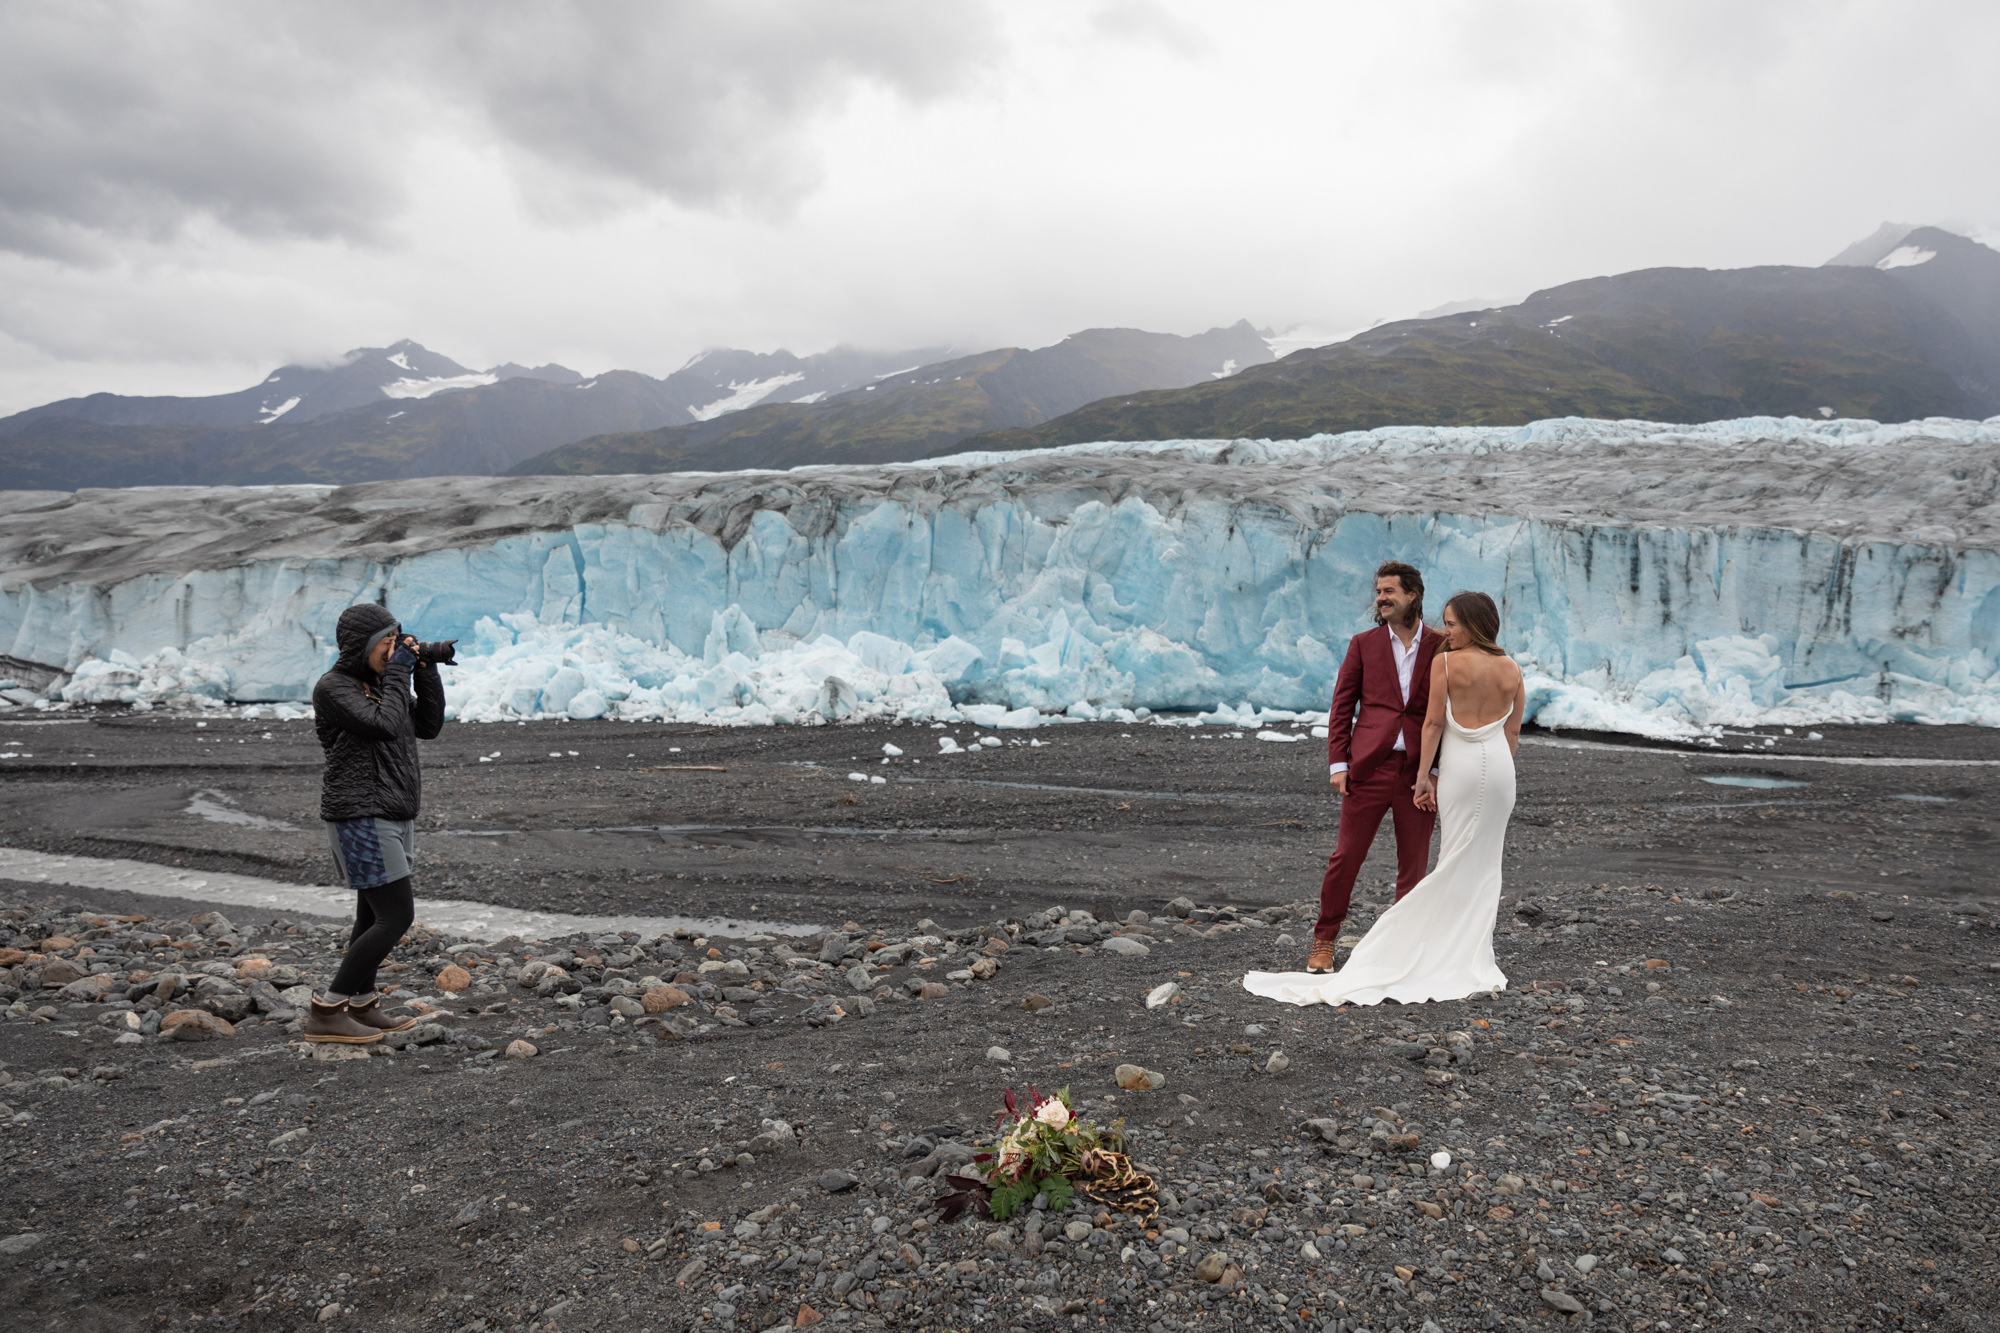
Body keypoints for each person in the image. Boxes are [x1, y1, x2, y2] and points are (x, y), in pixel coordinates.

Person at [1245, 590, 1522, 1007]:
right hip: (1500, 770)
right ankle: (1471, 956)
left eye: (1452, 624)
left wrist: (1427, 775)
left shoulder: (1444, 660)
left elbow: (1431, 724)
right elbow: (1512, 734)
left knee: (1448, 859)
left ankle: (1419, 947)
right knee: (1484, 865)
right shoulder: (1513, 669)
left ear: (1472, 624)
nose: (1444, 632)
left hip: (1458, 770)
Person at [303, 604, 449, 1043]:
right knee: (396, 916)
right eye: (385, 643)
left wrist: (423, 669)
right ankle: (328, 1009)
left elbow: (427, 725)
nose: (392, 650)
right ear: (361, 646)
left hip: (393, 809)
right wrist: (399, 671)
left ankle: (362, 1005)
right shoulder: (334, 687)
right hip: (360, 813)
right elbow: (384, 726)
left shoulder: (381, 685)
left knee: (370, 916)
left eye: (396, 640)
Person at [1301, 561, 1441, 975]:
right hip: (1367, 767)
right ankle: (1324, 942)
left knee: (1413, 864)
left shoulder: (1440, 646)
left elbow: (1448, 714)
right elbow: (1342, 706)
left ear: (1412, 595)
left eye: (1388, 591)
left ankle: (1403, 947)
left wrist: (1435, 772)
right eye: (1378, 592)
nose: (1380, 598)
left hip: (1418, 773)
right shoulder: (1363, 643)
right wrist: (1338, 763)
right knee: (1346, 856)